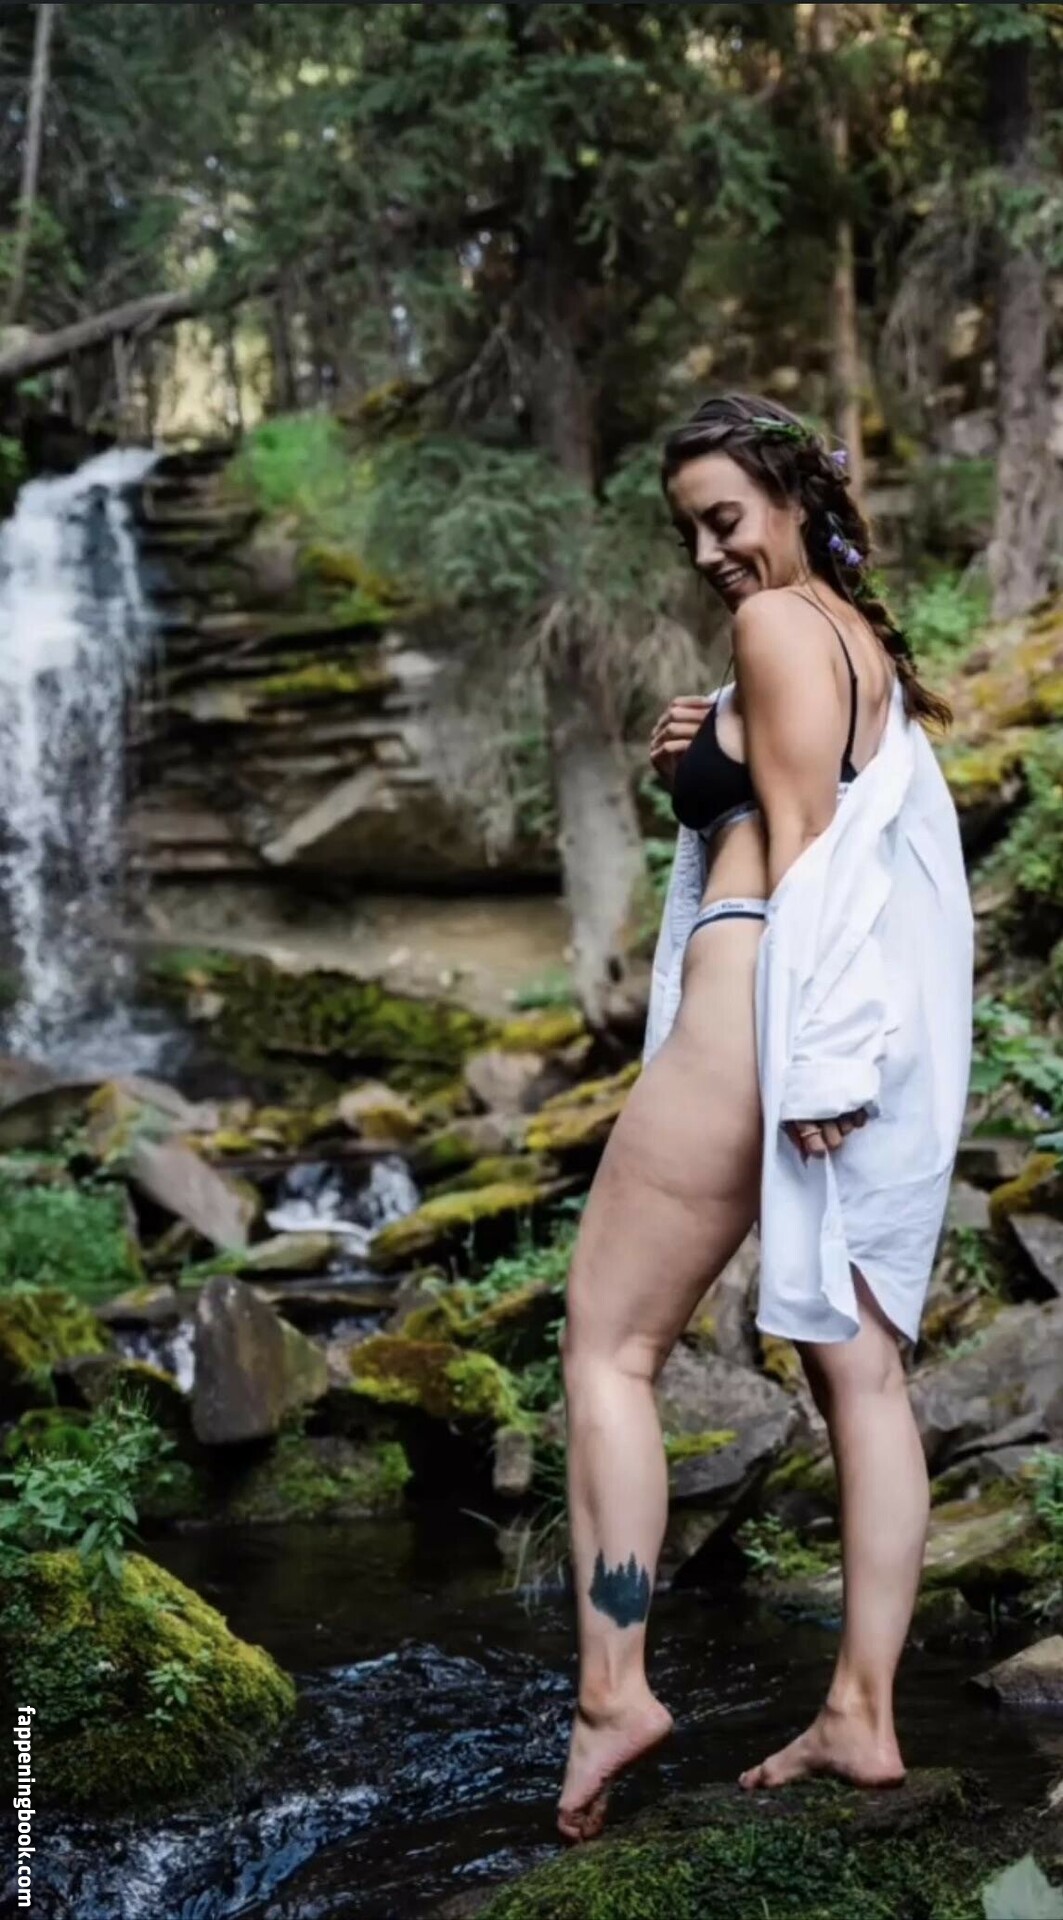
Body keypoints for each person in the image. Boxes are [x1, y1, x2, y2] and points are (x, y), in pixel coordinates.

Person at [556, 391, 974, 1846]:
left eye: (725, 518)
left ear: (794, 495)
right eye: (689, 533)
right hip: (804, 1031)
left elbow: (804, 856)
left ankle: (614, 1688)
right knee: (861, 1373)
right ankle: (861, 1711)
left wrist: (813, 1072)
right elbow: (800, 812)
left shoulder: (783, 625)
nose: (709, 553)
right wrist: (705, 761)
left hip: (759, 1014)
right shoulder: (847, 640)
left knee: (609, 1345)